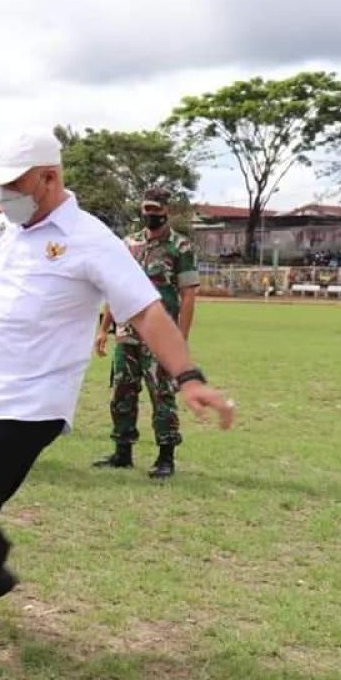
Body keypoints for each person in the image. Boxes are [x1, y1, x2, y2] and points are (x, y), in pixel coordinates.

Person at [0, 130, 235, 671]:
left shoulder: (92, 240)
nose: (4, 196)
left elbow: (146, 311)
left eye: (14, 184)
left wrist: (189, 376)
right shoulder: (1, 229)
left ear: (49, 177)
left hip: (31, 402)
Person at [94, 187, 200, 479]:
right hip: (127, 331)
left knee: (161, 394)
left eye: (155, 210)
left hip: (160, 334)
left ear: (167, 211)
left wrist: (180, 338)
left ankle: (166, 456)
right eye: (146, 209)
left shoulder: (180, 247)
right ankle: (122, 451)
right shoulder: (128, 245)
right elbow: (116, 288)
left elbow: (188, 295)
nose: (150, 215)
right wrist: (104, 329)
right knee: (121, 391)